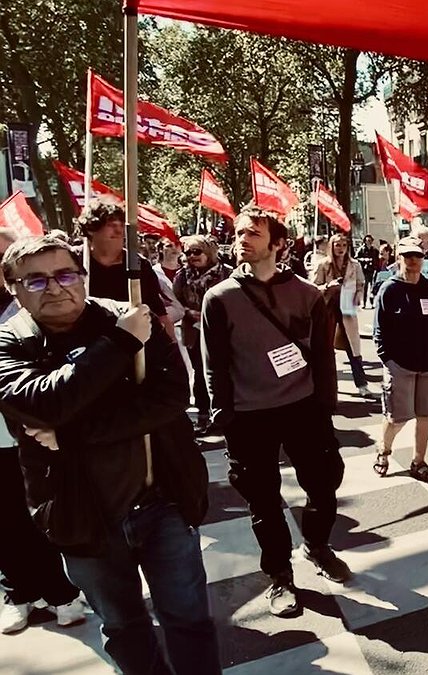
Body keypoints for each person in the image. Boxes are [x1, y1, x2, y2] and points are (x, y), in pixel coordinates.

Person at [0, 235, 217, 672]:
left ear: (81, 276)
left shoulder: (129, 316)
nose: (56, 287)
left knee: (189, 619)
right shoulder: (12, 342)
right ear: (12, 287)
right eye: (36, 280)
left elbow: (171, 397)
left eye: (65, 274)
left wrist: (72, 433)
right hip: (83, 518)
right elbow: (40, 405)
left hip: (163, 502)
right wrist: (118, 346)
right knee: (123, 627)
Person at [202, 206, 348, 618]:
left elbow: (322, 354)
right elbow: (214, 362)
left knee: (324, 483)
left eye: (252, 233)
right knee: (263, 501)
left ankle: (317, 545)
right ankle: (280, 574)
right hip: (249, 416)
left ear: (278, 244)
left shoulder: (305, 293)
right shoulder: (221, 297)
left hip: (303, 408)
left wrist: (325, 404)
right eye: (238, 232)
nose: (242, 239)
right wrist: (222, 411)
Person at [0, 231, 87, 635]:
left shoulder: (32, 310)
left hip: (36, 432)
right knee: (5, 520)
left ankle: (61, 592)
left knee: (47, 511)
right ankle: (18, 592)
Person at [374, 238, 428, 480]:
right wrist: (387, 360)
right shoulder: (389, 288)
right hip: (401, 364)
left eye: (417, 256)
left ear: (423, 258)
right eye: (407, 255)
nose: (413, 260)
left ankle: (419, 461)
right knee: (397, 418)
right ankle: (384, 449)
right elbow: (380, 330)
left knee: (425, 414)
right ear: (399, 258)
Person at [76, 200, 171, 334]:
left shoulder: (138, 264)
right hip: (87, 342)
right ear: (91, 229)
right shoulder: (73, 261)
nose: (119, 230)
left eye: (121, 225)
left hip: (134, 341)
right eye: (111, 225)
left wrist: (173, 348)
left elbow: (158, 312)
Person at [173, 234, 231, 434]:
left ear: (209, 252)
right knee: (200, 373)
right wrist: (188, 312)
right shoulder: (182, 276)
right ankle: (204, 416)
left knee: (225, 371)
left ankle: (226, 413)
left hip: (222, 331)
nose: (192, 256)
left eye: (197, 251)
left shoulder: (226, 273)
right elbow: (174, 300)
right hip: (194, 332)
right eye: (188, 252)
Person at [312, 232, 371, 397]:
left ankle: (362, 385)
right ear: (331, 246)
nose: (341, 249)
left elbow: (361, 284)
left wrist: (359, 297)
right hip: (328, 309)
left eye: (344, 245)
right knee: (325, 349)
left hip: (347, 309)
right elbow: (313, 287)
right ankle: (328, 387)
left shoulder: (355, 265)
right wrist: (327, 286)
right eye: (337, 245)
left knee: (354, 350)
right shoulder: (323, 264)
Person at [355, 235, 379, 308]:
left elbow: (377, 259)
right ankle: (364, 303)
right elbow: (356, 258)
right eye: (367, 241)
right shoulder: (361, 249)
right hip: (364, 270)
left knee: (373, 287)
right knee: (364, 287)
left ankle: (372, 303)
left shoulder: (374, 250)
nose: (369, 242)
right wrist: (363, 260)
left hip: (372, 270)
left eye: (370, 241)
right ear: (365, 241)